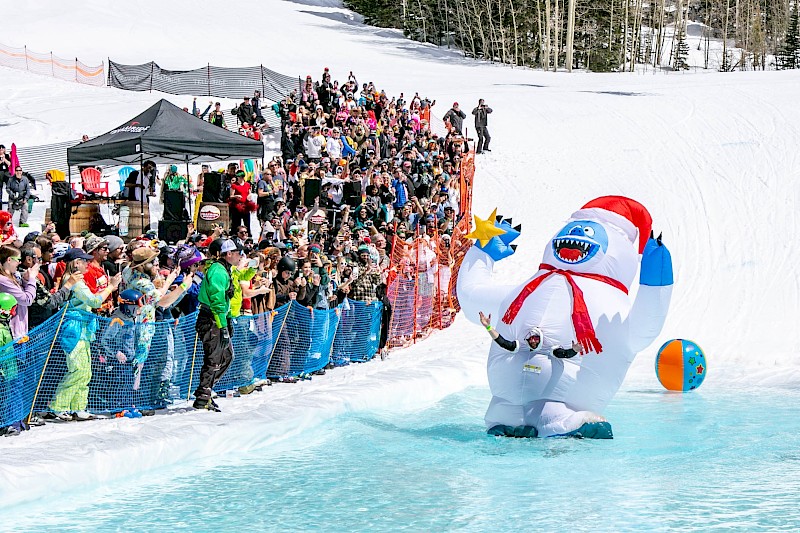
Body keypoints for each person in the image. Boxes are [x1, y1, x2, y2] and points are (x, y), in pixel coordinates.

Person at [49, 247, 122, 421]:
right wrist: (111, 286)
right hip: (74, 331)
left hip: (83, 330)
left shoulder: (78, 280)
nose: (88, 263)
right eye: (85, 261)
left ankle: (78, 407)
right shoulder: (75, 282)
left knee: (85, 371)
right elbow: (94, 301)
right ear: (76, 263)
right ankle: (58, 406)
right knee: (77, 370)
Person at [193, 238, 239, 411]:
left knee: (227, 356)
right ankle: (203, 397)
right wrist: (223, 326)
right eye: (236, 252)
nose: (239, 255)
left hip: (218, 318)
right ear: (228, 254)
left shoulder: (225, 269)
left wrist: (227, 319)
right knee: (214, 359)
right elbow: (217, 302)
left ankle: (205, 390)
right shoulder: (218, 272)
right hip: (211, 319)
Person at [478, 311, 580, 357]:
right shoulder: (520, 346)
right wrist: (488, 327)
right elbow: (502, 342)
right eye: (531, 338)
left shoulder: (549, 348)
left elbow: (564, 354)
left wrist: (574, 350)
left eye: (535, 338)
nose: (532, 340)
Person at [0, 244, 37, 339]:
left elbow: (21, 294)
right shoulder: (3, 280)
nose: (19, 263)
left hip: (19, 332)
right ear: (9, 260)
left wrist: (25, 280)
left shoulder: (10, 277)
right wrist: (32, 279)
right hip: (13, 334)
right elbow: (27, 300)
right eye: (18, 260)